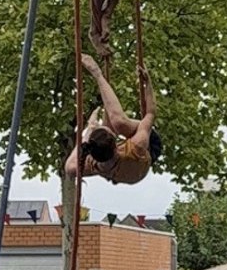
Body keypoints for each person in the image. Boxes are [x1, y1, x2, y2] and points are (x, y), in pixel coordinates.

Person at [65, 55, 159, 186]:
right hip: (149, 149)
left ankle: (101, 74)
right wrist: (148, 83)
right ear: (116, 145)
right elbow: (150, 113)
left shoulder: (95, 165)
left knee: (114, 123)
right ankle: (98, 74)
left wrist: (89, 131)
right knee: (119, 123)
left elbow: (69, 168)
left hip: (122, 167)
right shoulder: (137, 145)